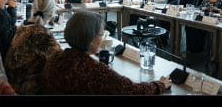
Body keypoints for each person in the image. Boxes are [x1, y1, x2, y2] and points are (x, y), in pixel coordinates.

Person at [41, 11, 171, 94]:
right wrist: (160, 85)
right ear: (91, 39)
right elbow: (132, 91)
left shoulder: (55, 57)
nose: (103, 38)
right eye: (101, 34)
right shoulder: (94, 71)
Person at [4, 26, 60, 94]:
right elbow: (57, 58)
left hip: (11, 82)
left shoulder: (23, 30)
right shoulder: (42, 35)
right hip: (25, 86)